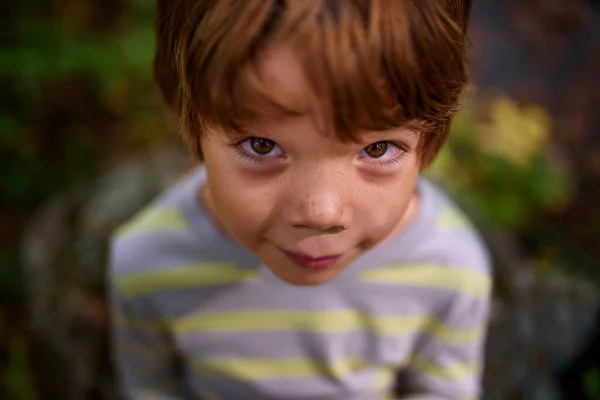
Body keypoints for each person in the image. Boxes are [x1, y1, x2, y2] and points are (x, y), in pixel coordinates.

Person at [108, 1, 492, 399]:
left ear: (427, 144)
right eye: (262, 145)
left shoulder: (449, 268)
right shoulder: (146, 265)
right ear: (192, 123)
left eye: (378, 149)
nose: (322, 213)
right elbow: (151, 388)